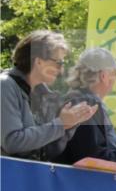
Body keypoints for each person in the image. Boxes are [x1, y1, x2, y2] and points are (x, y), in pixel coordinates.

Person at [2, 30, 96, 160]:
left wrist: (71, 124)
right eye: (58, 62)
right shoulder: (5, 85)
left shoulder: (43, 94)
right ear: (38, 61)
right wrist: (61, 124)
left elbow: (47, 151)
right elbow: (12, 143)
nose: (61, 69)